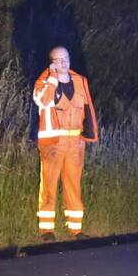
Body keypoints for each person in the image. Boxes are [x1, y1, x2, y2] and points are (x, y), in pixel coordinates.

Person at [32, 46, 98, 240]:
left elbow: (87, 109)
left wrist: (85, 137)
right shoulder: (43, 82)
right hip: (53, 143)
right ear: (51, 62)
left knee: (73, 185)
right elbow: (43, 100)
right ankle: (47, 230)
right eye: (57, 60)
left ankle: (75, 229)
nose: (63, 63)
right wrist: (52, 77)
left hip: (75, 143)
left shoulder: (80, 81)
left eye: (65, 59)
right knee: (49, 185)